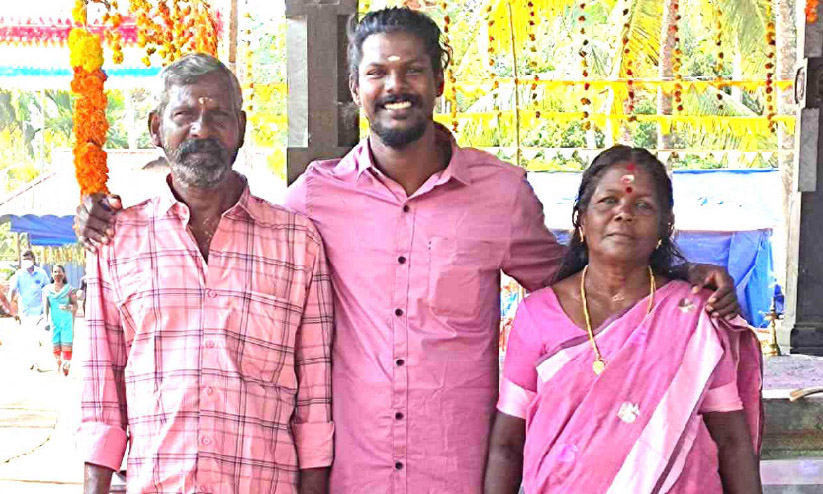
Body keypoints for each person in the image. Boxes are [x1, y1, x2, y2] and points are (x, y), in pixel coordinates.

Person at [75, 9, 740, 492]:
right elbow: (223, 212)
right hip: (350, 472)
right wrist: (105, 215)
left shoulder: (500, 194)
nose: (395, 85)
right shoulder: (312, 202)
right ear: (357, 89)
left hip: (456, 467)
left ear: (437, 81)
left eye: (411, 70)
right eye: (377, 72)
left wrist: (679, 277)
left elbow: (576, 285)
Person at [77, 53, 334, 494]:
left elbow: (315, 401)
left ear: (241, 127)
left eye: (218, 115)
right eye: (185, 114)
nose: (202, 129)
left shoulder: (298, 242)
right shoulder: (116, 240)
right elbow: (101, 395)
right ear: (156, 128)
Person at [484, 146, 763, 494]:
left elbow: (733, 440)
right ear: (582, 219)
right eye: (608, 201)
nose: (624, 214)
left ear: (665, 225)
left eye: (643, 205)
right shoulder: (537, 314)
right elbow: (507, 444)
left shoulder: (694, 313)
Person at [8, 250, 51, 371]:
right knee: (29, 337)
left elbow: (47, 289)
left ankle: (37, 361)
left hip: (41, 312)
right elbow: (12, 291)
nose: (26, 260)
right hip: (25, 311)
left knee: (39, 337)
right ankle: (33, 362)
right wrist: (13, 309)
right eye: (24, 258)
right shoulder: (19, 274)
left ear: (33, 259)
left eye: (28, 257)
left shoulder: (41, 273)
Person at [42, 264, 77, 376]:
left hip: (67, 322)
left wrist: (68, 307)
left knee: (67, 344)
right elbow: (46, 307)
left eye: (60, 272)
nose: (58, 274)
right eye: (55, 272)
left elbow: (75, 306)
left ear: (64, 274)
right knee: (55, 345)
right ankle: (58, 363)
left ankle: (66, 365)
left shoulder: (70, 289)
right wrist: (45, 320)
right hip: (54, 322)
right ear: (51, 274)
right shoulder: (47, 290)